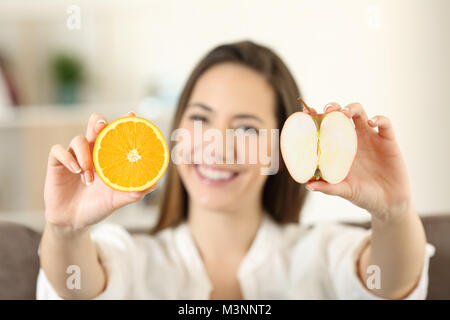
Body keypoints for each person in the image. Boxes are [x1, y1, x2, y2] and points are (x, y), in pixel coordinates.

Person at [37, 41, 434, 300]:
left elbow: (391, 284)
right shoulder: (129, 257)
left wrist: (394, 211)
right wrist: (66, 231)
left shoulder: (321, 254)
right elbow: (75, 287)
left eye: (246, 127)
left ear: (282, 145)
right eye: (200, 118)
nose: (217, 144)